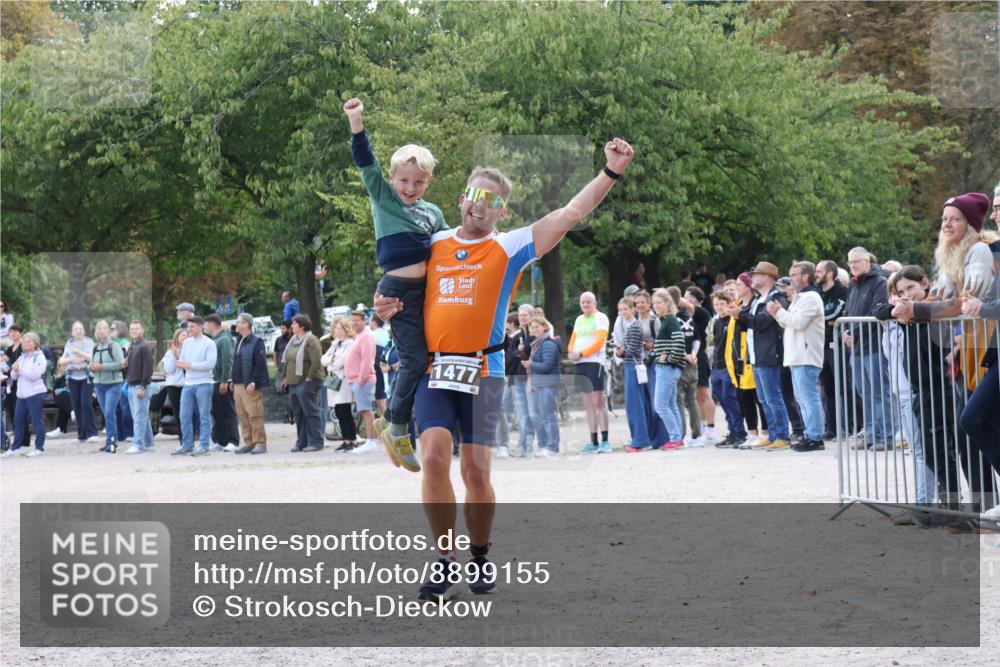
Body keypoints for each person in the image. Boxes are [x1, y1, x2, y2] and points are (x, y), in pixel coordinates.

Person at [374, 138, 634, 601]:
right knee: (433, 459)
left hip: (484, 369)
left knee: (475, 471)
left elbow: (571, 213)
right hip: (434, 369)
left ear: (502, 213)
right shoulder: (431, 242)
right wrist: (385, 303)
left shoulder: (510, 245)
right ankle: (444, 559)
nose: (481, 205)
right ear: (461, 199)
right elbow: (396, 283)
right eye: (475, 194)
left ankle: (479, 554)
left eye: (492, 200)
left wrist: (610, 172)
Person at [342, 97, 447, 470]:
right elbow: (365, 161)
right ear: (391, 180)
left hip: (425, 293)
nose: (410, 187)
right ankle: (399, 428)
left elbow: (449, 249)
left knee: (426, 357)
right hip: (397, 292)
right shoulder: (384, 198)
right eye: (403, 180)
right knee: (414, 358)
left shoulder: (432, 212)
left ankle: (395, 420)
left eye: (418, 182)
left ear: (428, 182)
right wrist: (356, 121)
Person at [728, 262, 791, 450]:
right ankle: (772, 433)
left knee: (773, 397)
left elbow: (763, 323)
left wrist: (740, 315)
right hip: (756, 354)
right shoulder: (758, 299)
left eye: (756, 274)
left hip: (770, 354)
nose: (752, 278)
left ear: (767, 277)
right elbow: (749, 322)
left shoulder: (775, 297)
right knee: (763, 398)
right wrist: (739, 316)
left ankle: (782, 435)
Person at [768, 261, 826, 452]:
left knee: (808, 398)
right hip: (797, 354)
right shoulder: (800, 298)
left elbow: (799, 322)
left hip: (806, 354)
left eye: (794, 274)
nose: (790, 278)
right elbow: (788, 323)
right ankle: (810, 434)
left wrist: (779, 312)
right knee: (802, 398)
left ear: (805, 277)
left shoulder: (811, 298)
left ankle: (815, 436)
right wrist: (779, 314)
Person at [843, 247, 894, 450]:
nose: (853, 266)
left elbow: (875, 313)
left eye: (856, 261)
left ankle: (887, 435)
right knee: (863, 392)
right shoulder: (853, 285)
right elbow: (848, 312)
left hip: (873, 346)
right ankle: (872, 433)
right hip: (856, 349)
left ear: (867, 261)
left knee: (880, 392)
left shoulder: (879, 282)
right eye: (850, 262)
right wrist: (844, 332)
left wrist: (853, 333)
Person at [570, 291, 611, 453]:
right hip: (580, 364)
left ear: (595, 303)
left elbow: (600, 341)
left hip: (595, 363)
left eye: (588, 302)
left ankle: (605, 441)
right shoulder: (579, 319)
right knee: (587, 404)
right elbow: (573, 339)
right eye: (583, 302)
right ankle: (593, 441)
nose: (585, 305)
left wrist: (582, 353)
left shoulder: (601, 318)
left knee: (598, 402)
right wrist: (571, 352)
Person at [173, 316, 216, 457]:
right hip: (188, 383)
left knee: (204, 416)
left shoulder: (209, 343)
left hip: (204, 383)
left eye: (192, 327)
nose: (189, 329)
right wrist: (181, 363)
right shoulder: (186, 343)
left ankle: (204, 445)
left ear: (201, 326)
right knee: (183, 415)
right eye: (188, 327)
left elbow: (210, 364)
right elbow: (183, 360)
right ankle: (187, 445)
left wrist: (189, 365)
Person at [815, 260, 849, 440]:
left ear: (830, 273)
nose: (816, 274)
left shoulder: (842, 291)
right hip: (821, 345)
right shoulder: (817, 293)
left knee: (842, 387)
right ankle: (831, 427)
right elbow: (817, 316)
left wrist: (819, 319)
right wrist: (823, 320)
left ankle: (848, 426)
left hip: (838, 345)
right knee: (826, 389)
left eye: (820, 271)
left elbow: (837, 314)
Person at [282, 314, 325, 453]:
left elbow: (317, 361)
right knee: (298, 413)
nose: (292, 326)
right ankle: (302, 441)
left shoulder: (311, 340)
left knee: (311, 412)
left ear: (302, 326)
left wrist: (309, 377)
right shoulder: (293, 340)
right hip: (294, 383)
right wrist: (285, 377)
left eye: (294, 324)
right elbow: (288, 361)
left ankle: (316, 441)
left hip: (308, 382)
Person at [708, 292, 746, 448]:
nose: (719, 307)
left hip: (728, 367)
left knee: (730, 399)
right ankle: (732, 431)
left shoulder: (733, 320)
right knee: (721, 399)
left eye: (721, 304)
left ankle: (739, 432)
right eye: (716, 304)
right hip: (717, 366)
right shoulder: (717, 322)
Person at [1, 332, 47, 458]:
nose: (25, 343)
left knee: (36, 421)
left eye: (29, 341)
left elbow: (34, 375)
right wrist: (15, 370)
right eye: (24, 341)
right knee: (18, 421)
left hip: (35, 394)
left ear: (35, 343)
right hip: (22, 395)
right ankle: (15, 447)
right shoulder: (21, 357)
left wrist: (19, 369)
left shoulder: (39, 357)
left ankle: (39, 447)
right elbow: (13, 376)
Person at [651, 289, 686, 449]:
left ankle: (674, 437)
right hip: (665, 367)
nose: (656, 305)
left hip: (668, 368)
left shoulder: (671, 321)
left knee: (660, 405)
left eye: (659, 302)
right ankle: (678, 437)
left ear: (667, 303)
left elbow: (679, 342)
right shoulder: (665, 320)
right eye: (654, 303)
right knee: (671, 404)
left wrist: (670, 359)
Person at [617, 297, 653, 452]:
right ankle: (638, 438)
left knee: (635, 404)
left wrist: (620, 352)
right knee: (635, 403)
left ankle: (640, 440)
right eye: (620, 309)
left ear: (633, 309)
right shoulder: (630, 326)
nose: (623, 312)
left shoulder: (634, 326)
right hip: (631, 365)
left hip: (633, 366)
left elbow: (632, 349)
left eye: (626, 309)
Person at [231, 312, 270, 455]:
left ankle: (260, 442)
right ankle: (249, 442)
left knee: (255, 414)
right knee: (242, 415)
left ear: (247, 324)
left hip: (250, 384)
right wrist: (233, 380)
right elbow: (236, 362)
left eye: (239, 321)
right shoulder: (239, 340)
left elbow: (260, 365)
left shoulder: (256, 341)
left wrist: (253, 382)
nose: (237, 324)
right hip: (238, 384)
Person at [524, 316, 561, 456]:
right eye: (532, 327)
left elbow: (547, 366)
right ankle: (546, 446)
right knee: (542, 415)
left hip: (548, 384)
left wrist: (530, 364)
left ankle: (552, 447)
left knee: (548, 415)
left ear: (544, 327)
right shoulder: (537, 343)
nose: (535, 329)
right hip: (540, 384)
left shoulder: (547, 344)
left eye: (537, 326)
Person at [684, 286, 715, 443]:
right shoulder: (686, 316)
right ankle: (702, 427)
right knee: (696, 395)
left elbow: (683, 303)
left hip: (700, 356)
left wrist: (670, 294)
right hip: (690, 357)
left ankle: (711, 428)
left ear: (694, 299)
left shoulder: (702, 313)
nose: (684, 299)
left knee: (704, 392)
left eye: (686, 296)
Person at [58, 320, 99, 443]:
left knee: (86, 403)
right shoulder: (69, 343)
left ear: (84, 331)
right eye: (76, 329)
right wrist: (73, 360)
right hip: (72, 378)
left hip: (86, 377)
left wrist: (79, 354)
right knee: (76, 406)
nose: (79, 331)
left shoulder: (89, 342)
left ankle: (92, 433)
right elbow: (62, 362)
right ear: (72, 332)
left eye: (80, 329)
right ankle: (81, 435)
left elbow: (91, 358)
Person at [205, 314, 240, 452]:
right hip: (214, 380)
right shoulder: (214, 339)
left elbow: (227, 361)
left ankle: (233, 440)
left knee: (228, 411)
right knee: (217, 412)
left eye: (206, 324)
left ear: (212, 324)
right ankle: (221, 440)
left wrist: (225, 380)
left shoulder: (224, 339)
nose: (205, 327)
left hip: (222, 380)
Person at [322, 318, 357, 453]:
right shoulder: (335, 343)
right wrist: (331, 361)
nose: (334, 330)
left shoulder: (350, 343)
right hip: (334, 381)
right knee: (338, 411)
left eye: (337, 328)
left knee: (345, 410)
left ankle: (352, 439)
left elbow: (341, 362)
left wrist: (331, 363)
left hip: (343, 381)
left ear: (344, 329)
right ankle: (345, 439)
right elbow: (323, 359)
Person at [89, 320, 125, 453]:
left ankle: (111, 442)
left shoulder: (114, 346)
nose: (102, 330)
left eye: (104, 328)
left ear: (108, 331)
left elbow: (121, 364)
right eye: (99, 328)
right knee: (107, 414)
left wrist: (102, 367)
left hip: (113, 384)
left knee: (109, 413)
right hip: (99, 385)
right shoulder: (95, 348)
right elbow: (92, 364)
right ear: (96, 331)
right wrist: (91, 367)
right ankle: (112, 441)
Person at [673, 289, 702, 445]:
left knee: (679, 400)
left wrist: (685, 355)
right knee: (692, 400)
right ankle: (697, 433)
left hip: (680, 363)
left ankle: (681, 434)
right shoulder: (690, 319)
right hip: (693, 362)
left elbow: (676, 342)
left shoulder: (672, 320)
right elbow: (697, 338)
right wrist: (693, 354)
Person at [508, 304, 537, 457]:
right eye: (520, 315)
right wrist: (519, 352)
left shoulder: (535, 335)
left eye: (525, 315)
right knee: (521, 414)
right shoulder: (517, 336)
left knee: (531, 412)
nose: (522, 317)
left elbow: (532, 354)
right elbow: (510, 355)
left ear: (531, 316)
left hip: (530, 378)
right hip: (517, 377)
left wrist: (521, 351)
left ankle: (529, 443)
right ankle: (522, 444)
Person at [150, 328, 187, 446]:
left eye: (186, 336)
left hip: (187, 384)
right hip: (174, 385)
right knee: (178, 412)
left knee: (187, 413)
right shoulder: (171, 352)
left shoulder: (190, 350)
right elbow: (168, 369)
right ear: (177, 338)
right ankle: (182, 439)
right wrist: (176, 359)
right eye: (182, 336)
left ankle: (189, 438)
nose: (184, 338)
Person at [123, 321, 155, 455]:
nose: (134, 331)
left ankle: (138, 444)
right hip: (130, 385)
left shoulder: (145, 346)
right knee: (141, 416)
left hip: (140, 386)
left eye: (136, 328)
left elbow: (148, 369)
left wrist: (143, 386)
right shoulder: (131, 345)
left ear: (142, 330)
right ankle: (149, 443)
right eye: (132, 329)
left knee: (139, 416)